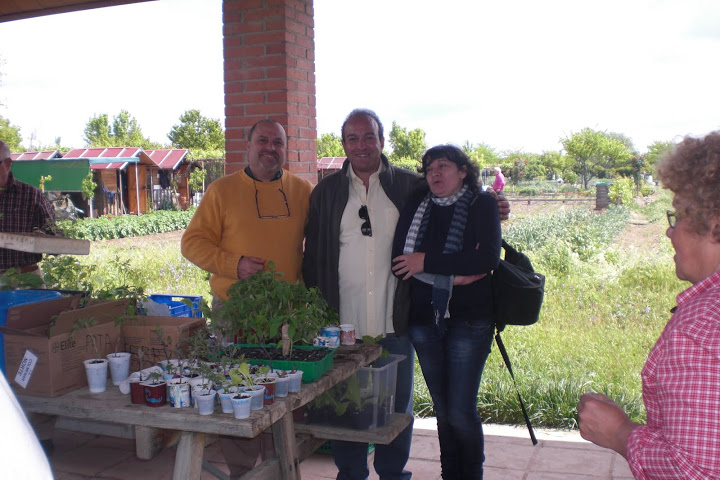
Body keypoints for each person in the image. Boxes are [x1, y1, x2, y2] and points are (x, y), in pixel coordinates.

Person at [303, 109, 510, 480]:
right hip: (343, 322)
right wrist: (318, 312)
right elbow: (313, 255)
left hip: (395, 317)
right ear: (344, 144)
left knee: (396, 407)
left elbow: (457, 203)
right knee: (345, 403)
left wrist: (493, 206)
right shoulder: (326, 192)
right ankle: (350, 474)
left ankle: (393, 473)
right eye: (352, 138)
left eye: (369, 136)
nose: (361, 145)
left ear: (382, 141)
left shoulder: (410, 185)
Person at [577, 131, 720, 479]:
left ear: (714, 226)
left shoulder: (700, 330)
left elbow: (694, 470)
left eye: (678, 217)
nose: (670, 232)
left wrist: (620, 434)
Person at [181, 119, 313, 476]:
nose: (271, 148)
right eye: (263, 141)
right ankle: (242, 470)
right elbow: (192, 243)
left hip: (286, 313)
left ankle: (281, 466)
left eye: (278, 142)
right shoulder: (222, 191)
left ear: (286, 148)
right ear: (248, 146)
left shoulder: (302, 190)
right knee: (238, 388)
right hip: (235, 311)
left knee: (282, 391)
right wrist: (233, 264)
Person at [391, 144, 501, 480]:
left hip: (470, 320)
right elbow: (399, 262)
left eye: (443, 166)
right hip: (424, 320)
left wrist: (426, 261)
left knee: (460, 411)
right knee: (442, 410)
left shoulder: (482, 203)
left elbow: (486, 259)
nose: (434, 173)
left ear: (463, 171)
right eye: (429, 168)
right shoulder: (417, 206)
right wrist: (456, 273)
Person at [0, 140, 57, 281]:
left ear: (7, 164)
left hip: (25, 278)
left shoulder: (31, 195)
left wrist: (42, 237)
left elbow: (55, 237)